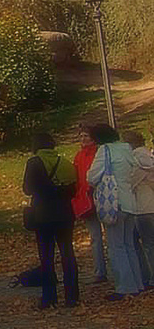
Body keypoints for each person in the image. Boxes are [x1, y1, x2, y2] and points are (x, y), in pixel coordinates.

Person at [85, 122, 143, 299]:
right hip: (130, 202)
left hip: (113, 203)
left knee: (116, 246)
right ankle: (137, 283)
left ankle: (124, 287)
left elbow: (92, 176)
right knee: (129, 245)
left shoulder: (105, 150)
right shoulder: (126, 148)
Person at [23, 131, 79, 309]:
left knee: (46, 256)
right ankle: (72, 296)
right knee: (67, 253)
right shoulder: (65, 163)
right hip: (65, 213)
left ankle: (49, 297)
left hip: (43, 214)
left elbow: (28, 189)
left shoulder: (34, 163)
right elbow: (73, 190)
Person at [72, 123, 108, 284]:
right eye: (81, 136)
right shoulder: (79, 156)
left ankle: (114, 268)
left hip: (100, 196)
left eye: (86, 135)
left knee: (111, 235)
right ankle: (100, 271)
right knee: (95, 237)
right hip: (85, 199)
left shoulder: (99, 153)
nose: (83, 139)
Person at [128, 131, 154, 287]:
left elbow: (129, 184)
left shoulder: (135, 161)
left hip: (142, 208)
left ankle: (148, 277)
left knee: (147, 245)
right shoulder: (150, 157)